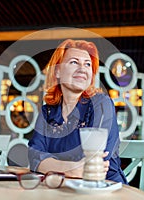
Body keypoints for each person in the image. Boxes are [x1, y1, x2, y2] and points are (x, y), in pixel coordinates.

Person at [28, 39, 128, 184]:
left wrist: (50, 165)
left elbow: (95, 162)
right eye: (74, 62)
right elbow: (33, 155)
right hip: (60, 188)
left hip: (105, 189)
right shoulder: (47, 111)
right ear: (57, 71)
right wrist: (70, 169)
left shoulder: (101, 103)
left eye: (87, 64)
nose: (82, 68)